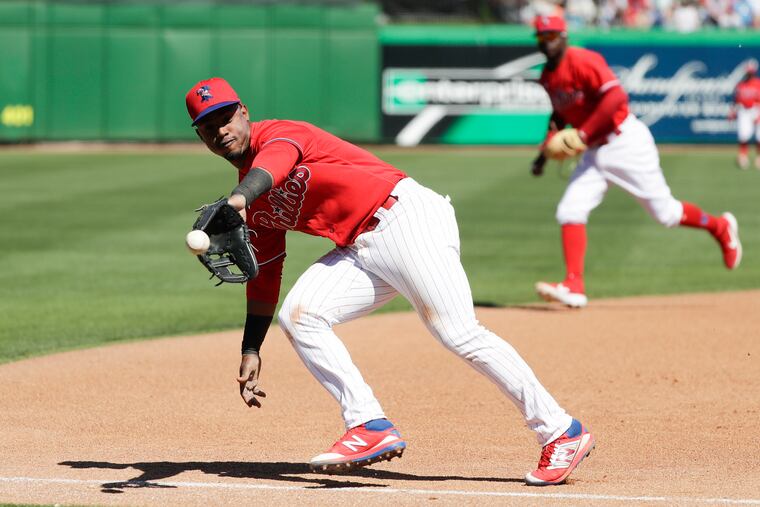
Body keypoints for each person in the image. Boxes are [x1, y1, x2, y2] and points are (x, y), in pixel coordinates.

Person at [185, 77, 594, 486]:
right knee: (300, 314)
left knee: (459, 332)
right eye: (208, 126)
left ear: (244, 112)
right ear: (201, 136)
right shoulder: (251, 208)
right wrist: (251, 347)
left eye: (225, 117)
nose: (221, 130)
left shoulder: (280, 136)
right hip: (362, 246)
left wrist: (236, 201)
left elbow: (271, 168)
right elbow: (265, 272)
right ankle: (368, 424)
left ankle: (560, 430)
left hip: (404, 216)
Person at [530, 15, 742, 309]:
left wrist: (583, 133)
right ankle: (574, 285)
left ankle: (719, 227)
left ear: (564, 36)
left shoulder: (583, 60)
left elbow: (616, 97)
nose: (546, 42)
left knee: (666, 214)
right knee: (570, 210)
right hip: (594, 151)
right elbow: (560, 114)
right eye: (541, 38)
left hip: (625, 142)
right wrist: (543, 155)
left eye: (551, 36)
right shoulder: (548, 76)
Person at [728, 60, 760, 170]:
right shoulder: (741, 85)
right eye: (748, 72)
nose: (749, 74)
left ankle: (758, 158)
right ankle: (743, 156)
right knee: (743, 134)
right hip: (744, 111)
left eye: (751, 72)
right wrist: (732, 111)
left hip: (756, 109)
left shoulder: (758, 84)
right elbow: (736, 100)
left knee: (759, 136)